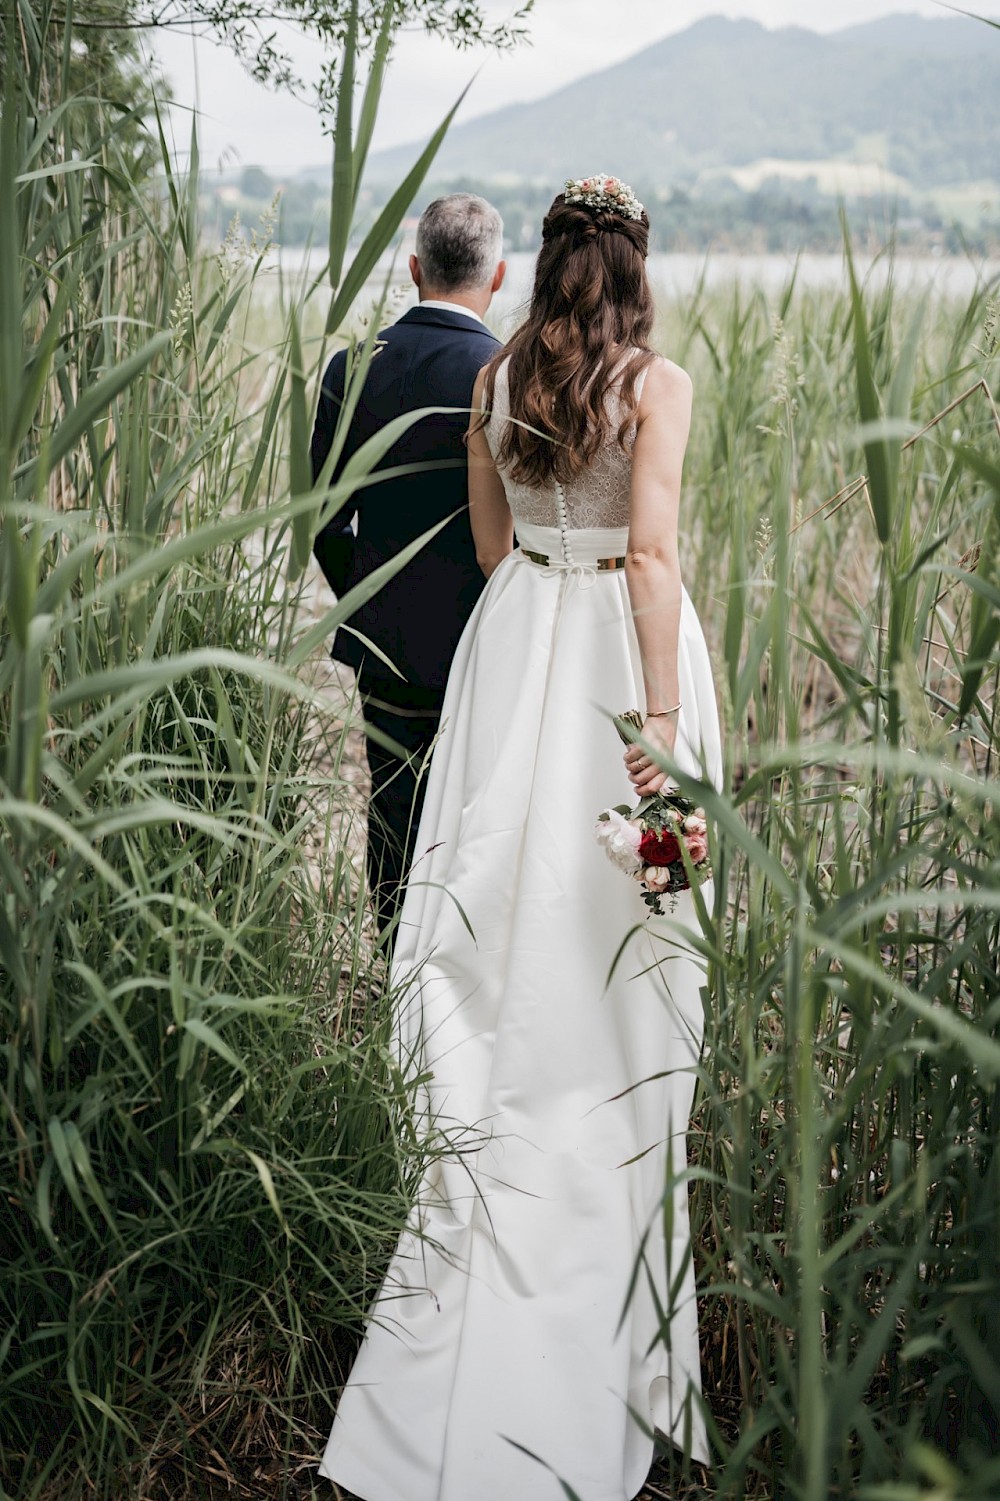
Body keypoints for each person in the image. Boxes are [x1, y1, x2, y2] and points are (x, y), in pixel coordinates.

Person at [318, 175, 723, 1501]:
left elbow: (494, 554)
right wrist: (656, 743)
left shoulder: (497, 380)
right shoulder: (657, 388)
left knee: (497, 944)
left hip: (519, 660)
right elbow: (654, 559)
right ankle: (603, 1254)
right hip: (620, 660)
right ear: (637, 271)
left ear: (547, 272)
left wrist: (545, 610)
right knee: (632, 961)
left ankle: (478, 1204)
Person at [311, 193, 505, 938]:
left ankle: (396, 969)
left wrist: (367, 598)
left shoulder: (349, 368)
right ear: (497, 277)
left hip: (384, 641)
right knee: (475, 808)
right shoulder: (502, 374)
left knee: (390, 806)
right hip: (482, 641)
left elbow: (325, 522)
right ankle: (454, 972)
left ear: (415, 267)